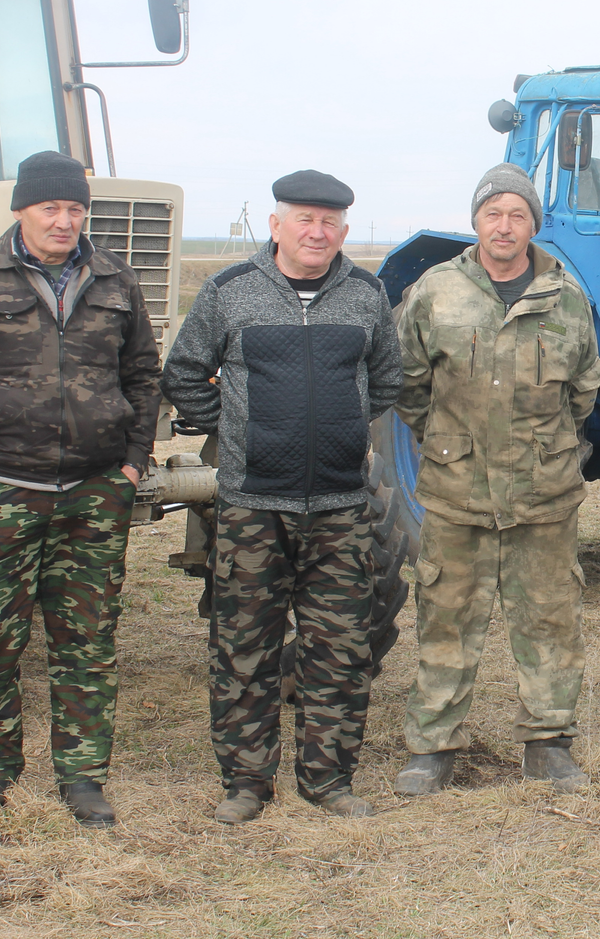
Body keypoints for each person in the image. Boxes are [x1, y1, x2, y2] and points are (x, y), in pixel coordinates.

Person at [0, 151, 160, 828]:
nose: (65, 221)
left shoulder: (114, 279)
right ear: (21, 209)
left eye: (76, 209)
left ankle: (82, 777)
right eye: (51, 207)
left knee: (86, 641)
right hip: (2, 494)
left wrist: (132, 465)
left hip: (92, 494)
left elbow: (143, 376)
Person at [161, 170, 402, 824]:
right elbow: (183, 372)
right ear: (276, 225)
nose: (316, 231)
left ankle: (329, 780)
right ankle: (246, 782)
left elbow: (385, 380)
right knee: (244, 651)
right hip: (252, 508)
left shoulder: (366, 296)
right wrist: (239, 428)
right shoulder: (229, 293)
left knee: (341, 653)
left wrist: (342, 429)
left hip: (340, 510)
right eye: (303, 219)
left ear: (344, 232)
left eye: (329, 222)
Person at [392, 163, 600, 796]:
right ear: (477, 221)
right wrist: (451, 442)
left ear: (533, 224)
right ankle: (433, 748)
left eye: (517, 214)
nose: (505, 225)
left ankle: (547, 743)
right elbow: (408, 383)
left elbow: (585, 386)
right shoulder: (435, 293)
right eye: (494, 213)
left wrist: (539, 448)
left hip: (544, 493)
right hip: (457, 493)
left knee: (549, 617)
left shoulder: (567, 296)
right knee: (446, 616)